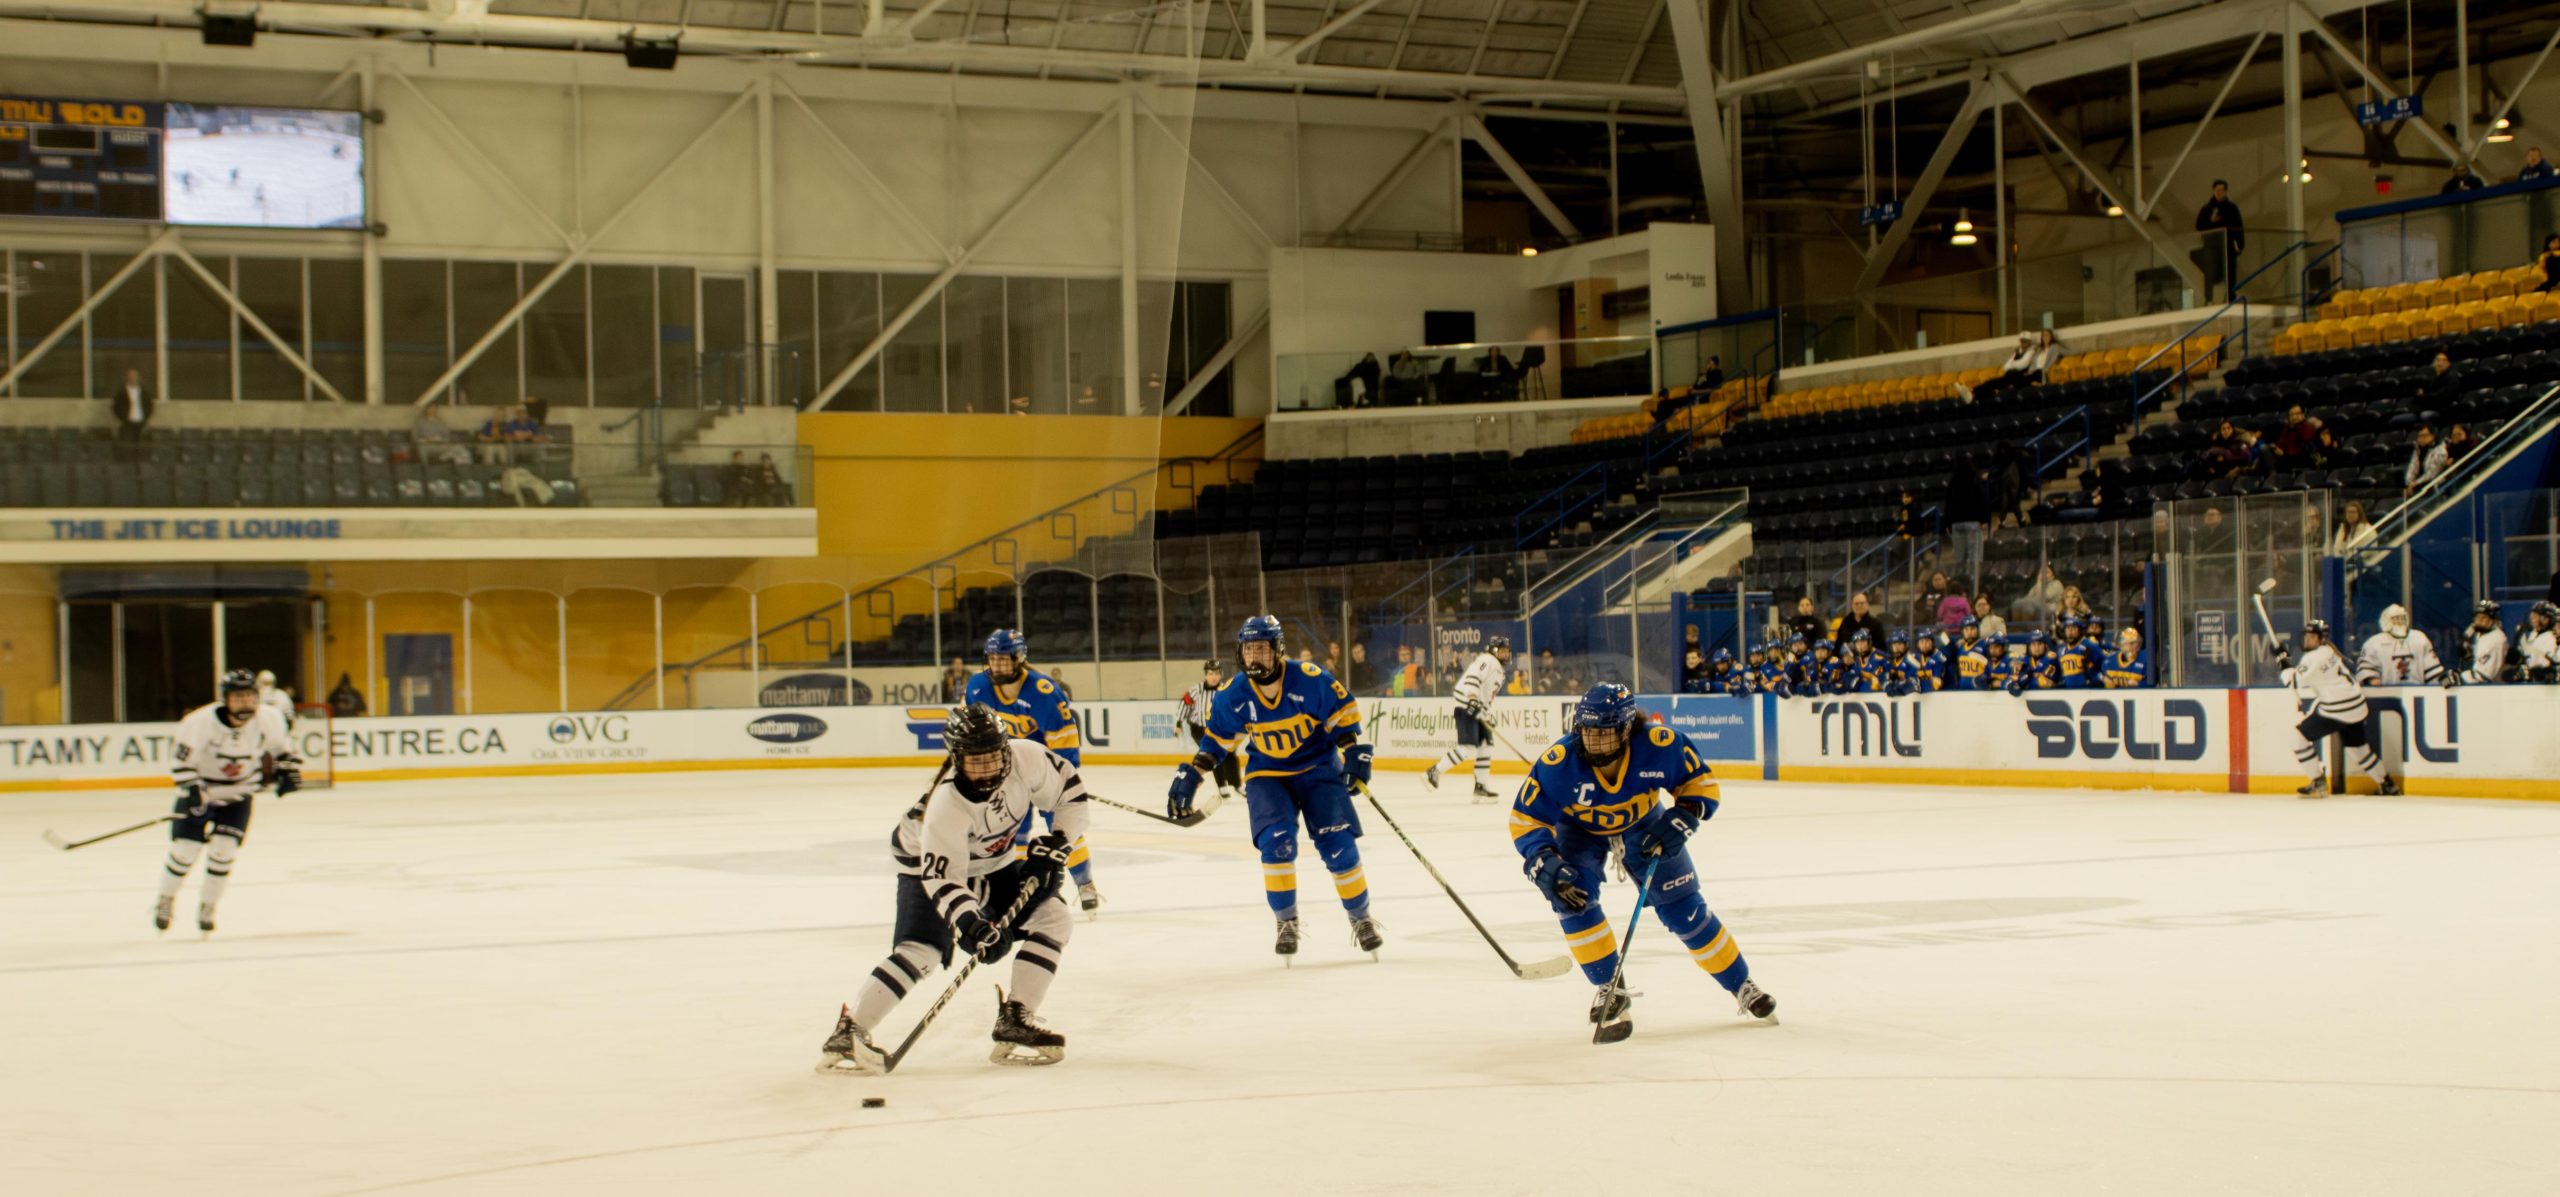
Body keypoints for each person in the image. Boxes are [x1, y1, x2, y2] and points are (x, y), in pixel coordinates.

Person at [817, 706, 1085, 1073]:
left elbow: (1071, 793)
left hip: (993, 860)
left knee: (1054, 917)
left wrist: (1058, 842)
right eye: (976, 762)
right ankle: (851, 1030)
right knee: (923, 950)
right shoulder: (944, 807)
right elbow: (944, 879)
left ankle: (1016, 1019)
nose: (987, 769)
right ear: (957, 759)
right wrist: (971, 924)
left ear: (1006, 750)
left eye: (993, 758)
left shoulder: (1027, 758)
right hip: (921, 861)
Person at [1512, 684, 1775, 1042]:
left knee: (1685, 909)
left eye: (1605, 735)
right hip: (1578, 830)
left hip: (1645, 824)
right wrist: (1542, 859)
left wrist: (1682, 818)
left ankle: (1741, 984)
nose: (1594, 743)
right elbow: (1526, 819)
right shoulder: (1558, 763)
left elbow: (1701, 785)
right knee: (1570, 897)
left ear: (1626, 729)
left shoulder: (1661, 744)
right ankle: (1609, 987)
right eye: (1588, 733)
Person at [1167, 615, 1380, 961]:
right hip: (1267, 773)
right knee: (1276, 844)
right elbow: (1218, 742)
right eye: (1248, 650)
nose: (1254, 658)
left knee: (1339, 845)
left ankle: (1361, 919)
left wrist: (1354, 751)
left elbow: (1342, 717)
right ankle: (1286, 923)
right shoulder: (1233, 694)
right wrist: (1192, 776)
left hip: (1319, 767)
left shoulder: (1310, 680)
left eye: (1262, 651)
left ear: (1278, 650)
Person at [154, 669, 301, 935]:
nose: (245, 702)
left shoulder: (270, 718)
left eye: (250, 696)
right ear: (225, 699)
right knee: (185, 851)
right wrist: (193, 791)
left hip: (238, 794)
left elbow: (282, 750)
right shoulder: (198, 722)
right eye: (238, 697)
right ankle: (166, 899)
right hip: (202, 790)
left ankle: (208, 906)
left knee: (224, 852)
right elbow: (180, 763)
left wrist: (287, 771)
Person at [966, 629, 1100, 915]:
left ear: (1019, 658)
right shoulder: (978, 687)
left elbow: (1065, 744)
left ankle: (1084, 883)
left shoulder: (1043, 692)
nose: (997, 665)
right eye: (992, 659)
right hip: (1005, 773)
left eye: (1003, 659)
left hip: (1042, 771)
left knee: (1062, 830)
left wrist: (1065, 783)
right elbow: (975, 736)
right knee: (1011, 830)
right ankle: (1013, 888)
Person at [2275, 621, 2400, 797]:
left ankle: (2318, 782)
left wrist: (2282, 661)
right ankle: (2387, 784)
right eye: (2306, 636)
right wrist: (2286, 662)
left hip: (2338, 709)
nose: (2308, 640)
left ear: (2321, 639)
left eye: (2312, 637)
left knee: (2297, 739)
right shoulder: (2329, 651)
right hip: (2356, 706)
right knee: (2358, 749)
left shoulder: (2315, 657)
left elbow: (2293, 682)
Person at [1428, 635, 1512, 801]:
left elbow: (1487, 696)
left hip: (1477, 710)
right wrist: (1472, 699)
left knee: (1486, 745)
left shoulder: (1499, 671)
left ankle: (1480, 785)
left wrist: (1486, 714)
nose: (1505, 654)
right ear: (1493, 650)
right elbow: (1473, 678)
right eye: (1501, 651)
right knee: (1467, 748)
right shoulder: (1487, 660)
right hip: (1466, 706)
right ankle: (1435, 770)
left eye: (1506, 651)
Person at [1179, 658, 1245, 806]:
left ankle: (1237, 784)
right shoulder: (1197, 690)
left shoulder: (1226, 689)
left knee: (1230, 755)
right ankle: (1222, 786)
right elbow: (1185, 704)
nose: (1213, 677)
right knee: (1213, 754)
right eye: (1210, 673)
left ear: (1221, 674)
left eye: (1216, 673)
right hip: (1199, 728)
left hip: (1222, 727)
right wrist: (1179, 723)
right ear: (1206, 674)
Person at [2357, 604, 2449, 687]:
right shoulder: (2374, 643)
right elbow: (2368, 675)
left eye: (2401, 618)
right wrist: (2375, 684)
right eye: (2395, 619)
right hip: (2387, 697)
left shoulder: (2419, 638)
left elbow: (2433, 673)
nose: (2399, 622)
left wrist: (2444, 680)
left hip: (2417, 693)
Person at [2194, 180, 2245, 301]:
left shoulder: (2232, 208)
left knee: (2230, 271)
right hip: (2211, 245)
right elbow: (2199, 226)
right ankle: (2209, 298)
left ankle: (2230, 296)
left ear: (2226, 192)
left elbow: (2238, 227)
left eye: (2222, 190)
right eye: (2218, 190)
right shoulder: (2207, 209)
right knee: (2210, 272)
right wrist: (2211, 222)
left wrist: (2240, 244)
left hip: (2227, 245)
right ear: (2213, 191)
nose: (2220, 193)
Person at [1958, 336, 2038, 403]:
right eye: (2021, 341)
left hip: (2019, 378)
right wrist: (2014, 364)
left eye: (2025, 342)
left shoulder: (2031, 352)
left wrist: (2013, 364)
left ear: (2029, 343)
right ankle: (1973, 394)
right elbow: (2006, 366)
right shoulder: (2017, 353)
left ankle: (1973, 392)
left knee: (1992, 383)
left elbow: (2023, 365)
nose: (2022, 344)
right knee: (1990, 385)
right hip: (2010, 376)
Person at [2454, 599, 2508, 685]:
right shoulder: (2480, 633)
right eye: (2477, 617)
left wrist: (2458, 678)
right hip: (2476, 685)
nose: (2478, 621)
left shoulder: (2497, 640)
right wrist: (2468, 655)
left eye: (2483, 618)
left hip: (2491, 690)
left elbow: (2484, 676)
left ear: (2492, 620)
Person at [110, 366, 152, 456]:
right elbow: (115, 407)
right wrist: (122, 418)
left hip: (141, 422)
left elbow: (149, 406)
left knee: (141, 447)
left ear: (138, 378)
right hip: (127, 423)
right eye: (131, 376)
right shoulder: (121, 393)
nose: (133, 378)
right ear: (127, 378)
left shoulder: (144, 393)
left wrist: (146, 418)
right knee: (128, 447)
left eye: (134, 376)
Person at [2007, 631, 2061, 695]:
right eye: (2033, 644)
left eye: (2040, 644)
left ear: (2045, 646)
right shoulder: (2024, 660)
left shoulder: (2051, 658)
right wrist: (2031, 676)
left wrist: (2023, 679)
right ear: (2029, 646)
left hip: (2050, 697)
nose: (2036, 648)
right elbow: (2010, 681)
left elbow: (2044, 683)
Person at [2516, 602, 2560, 682]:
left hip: (2542, 684)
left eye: (2536, 616)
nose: (2532, 618)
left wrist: (2532, 673)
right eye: (2532, 615)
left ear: (2546, 619)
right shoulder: (2534, 634)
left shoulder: (2550, 638)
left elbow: (2546, 668)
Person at [2403, 426, 2450, 496]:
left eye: (2424, 436)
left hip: (2434, 486)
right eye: (2419, 436)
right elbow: (2412, 467)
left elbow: (2432, 473)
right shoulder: (2417, 450)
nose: (2421, 438)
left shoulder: (2440, 451)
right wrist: (2409, 482)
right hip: (2417, 486)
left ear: (2432, 436)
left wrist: (2415, 483)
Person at [2055, 617, 2099, 689]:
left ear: (2080, 630)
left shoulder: (2090, 646)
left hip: (2088, 691)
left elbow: (2102, 665)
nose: (2070, 631)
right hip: (2067, 691)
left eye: (2074, 628)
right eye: (2068, 628)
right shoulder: (2061, 650)